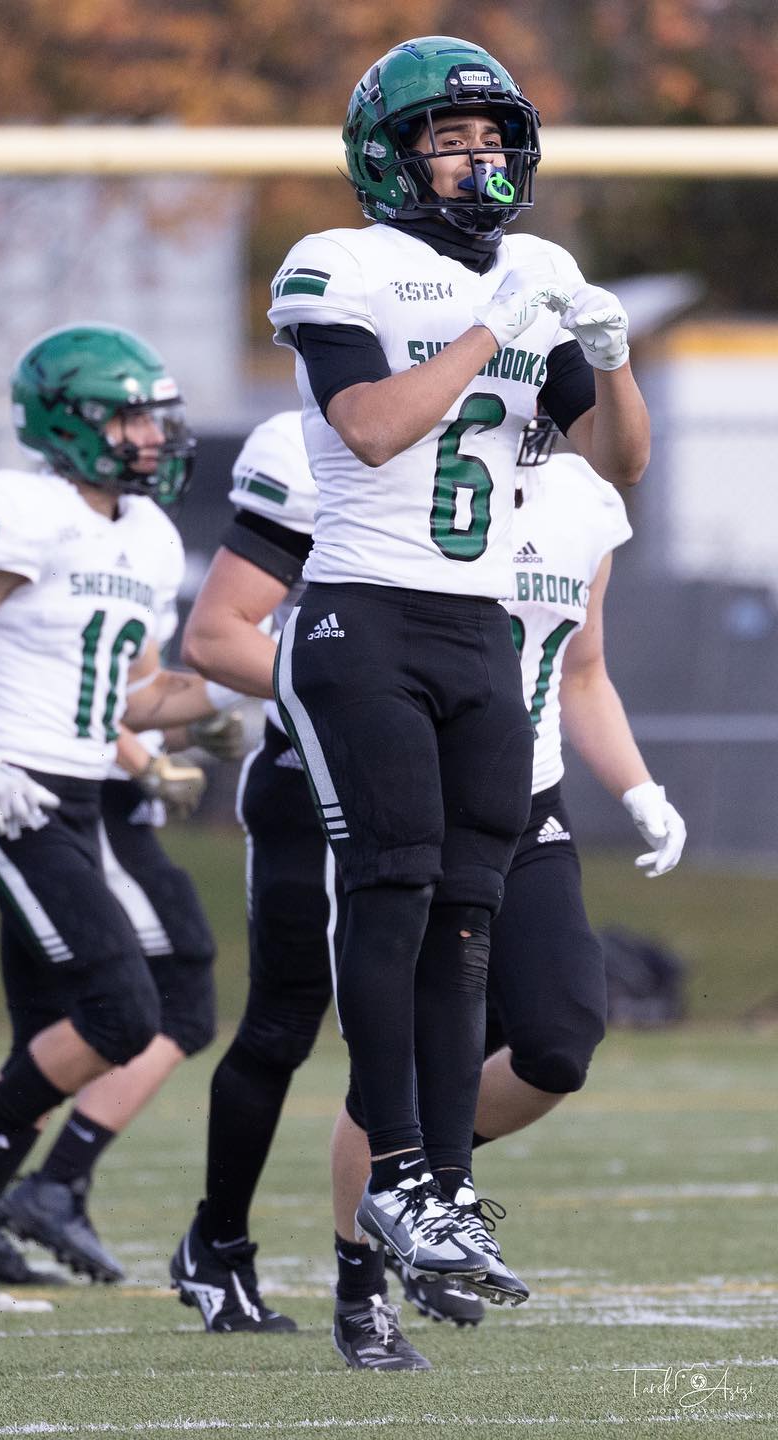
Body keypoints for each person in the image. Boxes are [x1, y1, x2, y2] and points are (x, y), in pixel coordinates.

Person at [265, 32, 650, 1315]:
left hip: (483, 626)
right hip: (366, 614)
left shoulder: (542, 267)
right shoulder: (344, 264)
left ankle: (434, 1186)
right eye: (449, 137)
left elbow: (622, 460)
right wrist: (494, 330)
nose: (479, 158)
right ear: (392, 155)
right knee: (394, 887)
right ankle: (400, 1168)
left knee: (469, 924)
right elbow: (369, 431)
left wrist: (612, 347)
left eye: (493, 137)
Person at [0, 323, 227, 1312]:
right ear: (67, 425)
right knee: (124, 1013)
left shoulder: (149, 537)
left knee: (50, 1039)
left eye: (153, 416)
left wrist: (235, 697)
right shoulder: (22, 511)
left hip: (82, 794)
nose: (150, 436)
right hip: (12, 795)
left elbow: (132, 697)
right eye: (127, 416)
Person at [325, 418, 686, 1366]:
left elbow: (584, 669)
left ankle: (429, 1198)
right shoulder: (412, 483)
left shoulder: (588, 501)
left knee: (560, 1038)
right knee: (395, 1052)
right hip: (417, 795)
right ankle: (362, 1286)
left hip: (526, 797)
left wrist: (641, 789)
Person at [168, 411, 336, 1336]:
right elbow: (219, 634)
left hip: (448, 765)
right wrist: (356, 703)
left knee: (478, 1012)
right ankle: (217, 1242)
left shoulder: (515, 451)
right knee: (282, 1021)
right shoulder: (304, 442)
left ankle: (414, 1228)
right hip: (312, 769)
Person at [0, 716, 240, 1285]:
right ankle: (53, 1183)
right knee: (183, 1002)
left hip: (71, 801)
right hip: (91, 805)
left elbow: (130, 698)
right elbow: (108, 694)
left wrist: (188, 727)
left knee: (45, 1032)